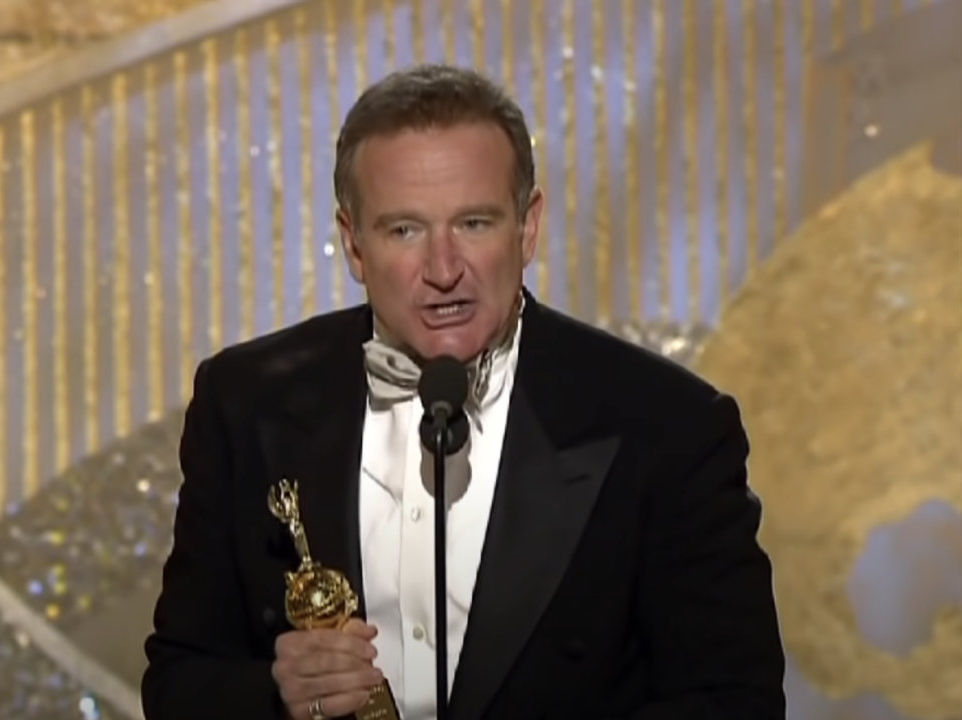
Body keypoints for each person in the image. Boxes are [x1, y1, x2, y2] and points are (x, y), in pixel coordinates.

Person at [141, 63, 785, 720]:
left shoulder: (668, 426)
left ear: (527, 228)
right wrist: (277, 694)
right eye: (404, 230)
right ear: (353, 244)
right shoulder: (245, 402)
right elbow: (178, 683)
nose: (445, 270)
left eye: (474, 224)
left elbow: (735, 702)